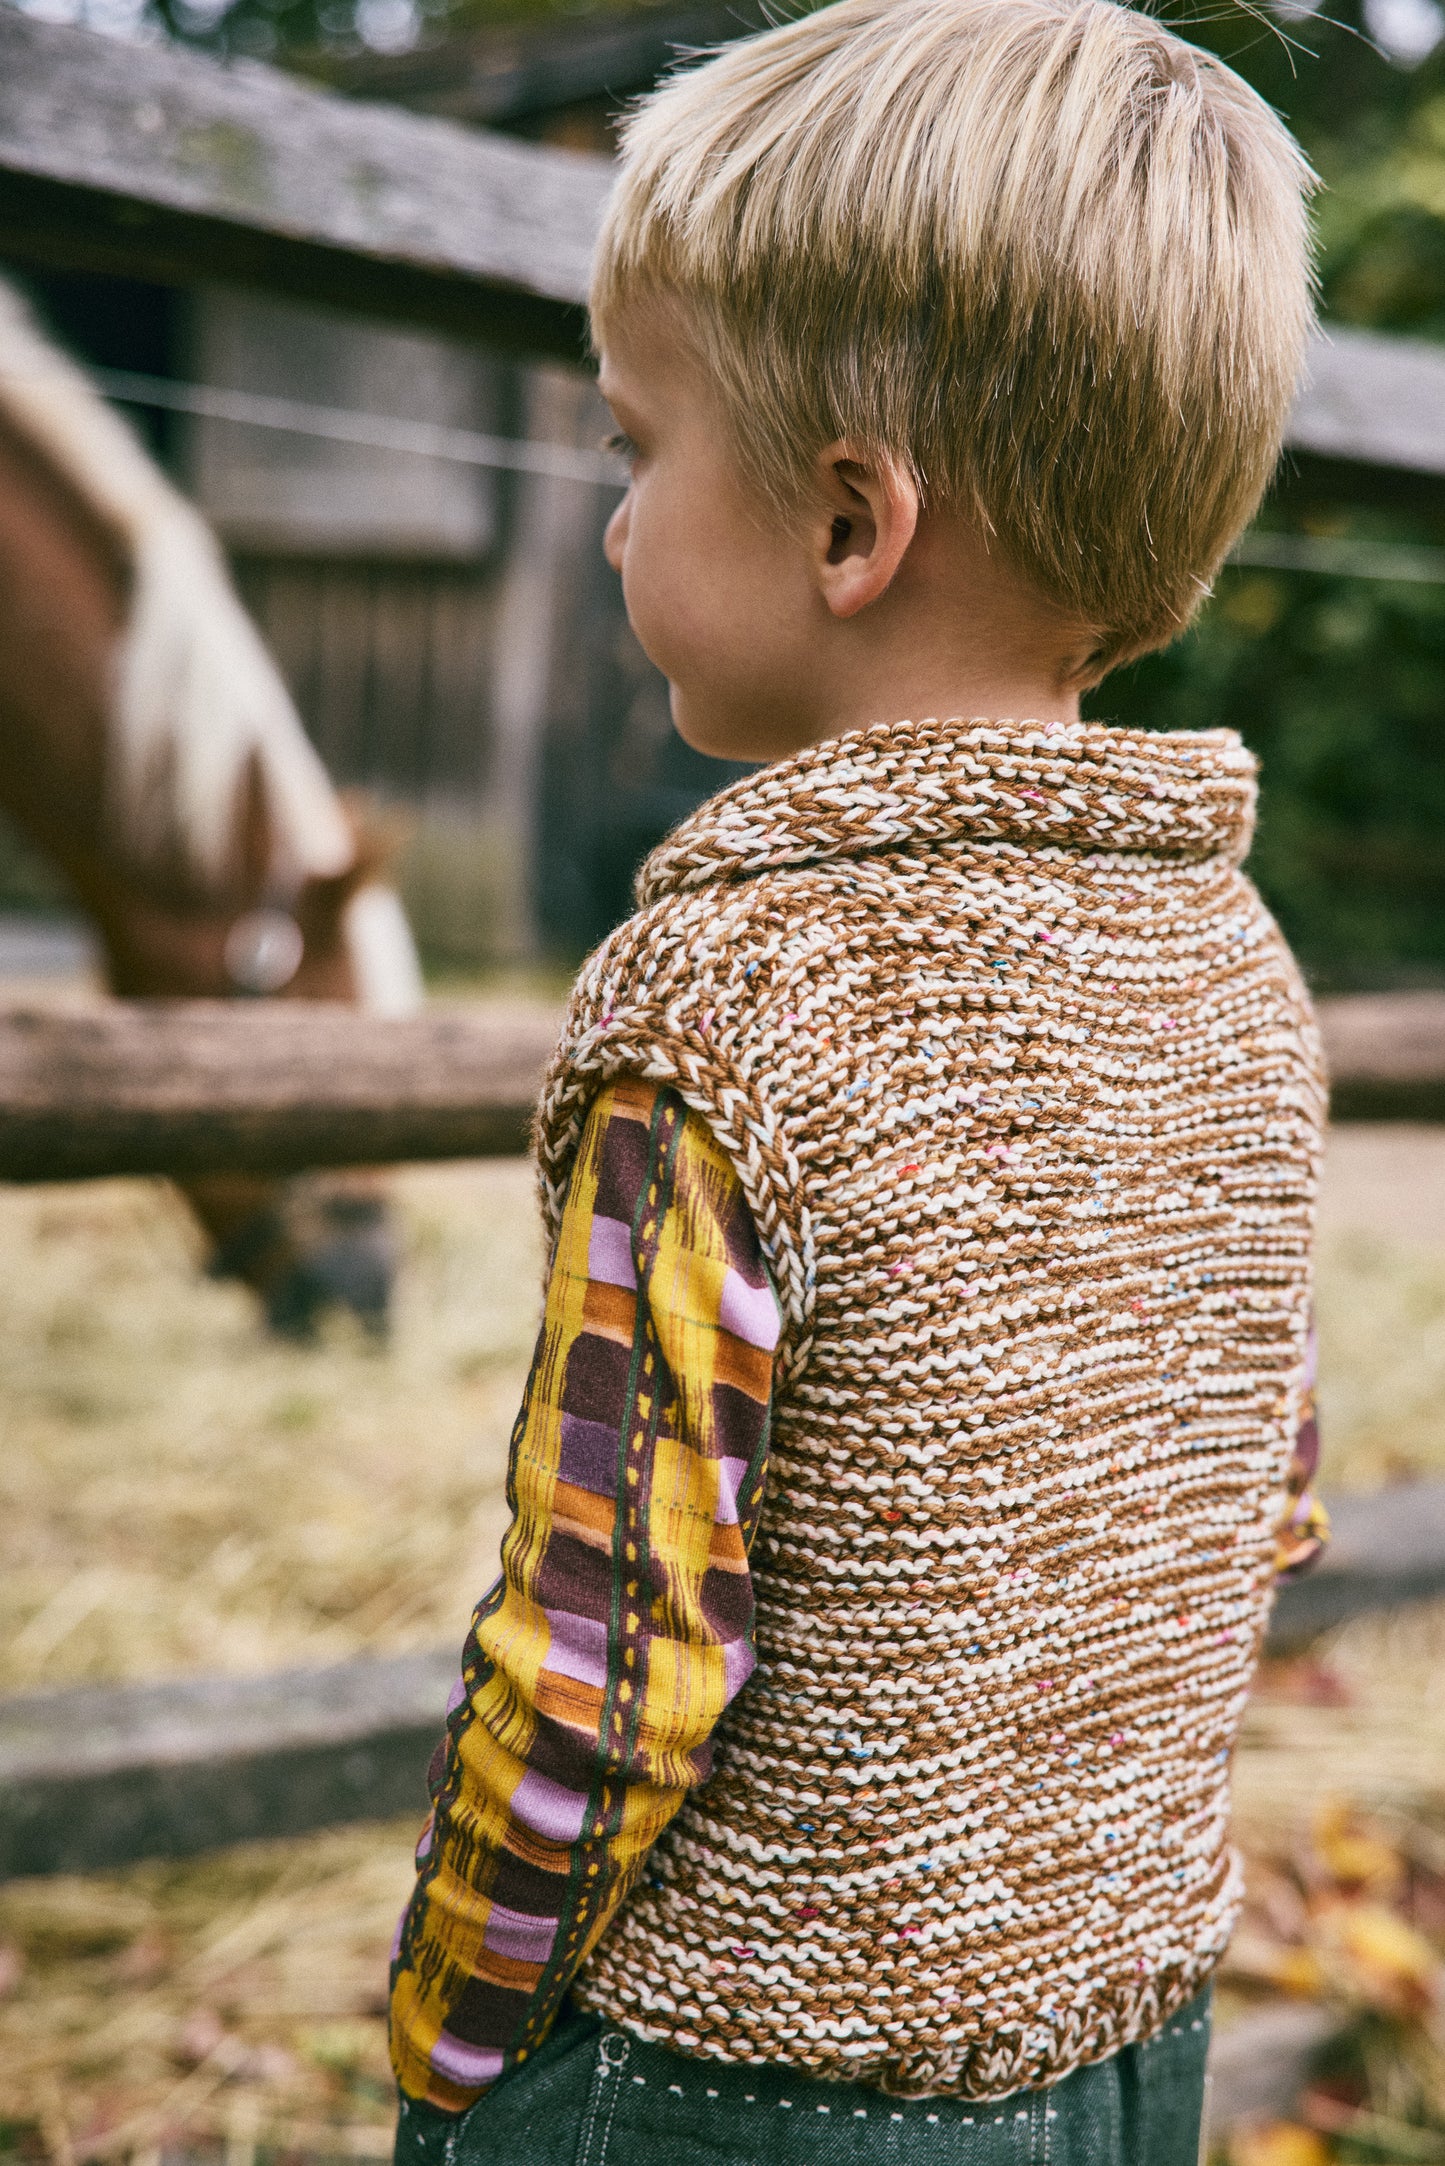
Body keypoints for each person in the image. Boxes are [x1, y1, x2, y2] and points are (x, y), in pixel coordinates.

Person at [389, 2, 1328, 2157]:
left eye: (638, 447)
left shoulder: (728, 1001)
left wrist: (454, 2043)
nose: (617, 522)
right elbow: (1251, 1501)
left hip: (734, 2087)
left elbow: (604, 1664)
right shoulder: (1238, 967)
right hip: (1122, 2048)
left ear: (844, 522)